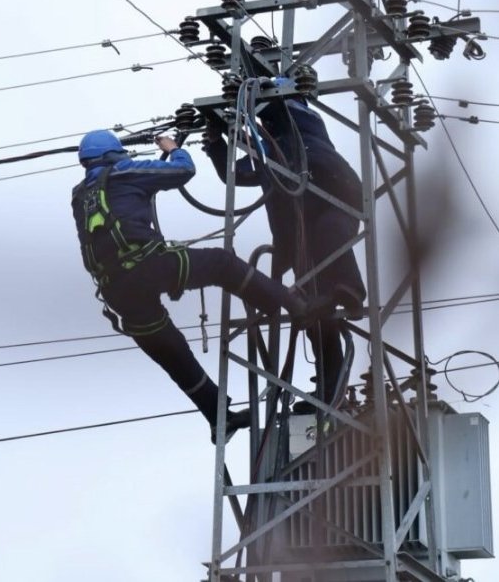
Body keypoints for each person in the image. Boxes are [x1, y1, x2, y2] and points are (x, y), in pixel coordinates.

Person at [71, 129, 327, 443]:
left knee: (170, 351)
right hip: (148, 265)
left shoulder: (81, 193)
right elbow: (183, 170)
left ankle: (218, 418)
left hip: (115, 290)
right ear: (114, 152)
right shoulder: (125, 171)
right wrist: (173, 148)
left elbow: (124, 207)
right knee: (222, 263)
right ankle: (295, 306)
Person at [203, 89, 366, 410]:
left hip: (334, 197)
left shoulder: (303, 124)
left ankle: (348, 291)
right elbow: (233, 174)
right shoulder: (270, 155)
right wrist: (216, 139)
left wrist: (246, 103)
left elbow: (282, 112)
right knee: (311, 310)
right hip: (297, 225)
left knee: (329, 238)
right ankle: (327, 390)